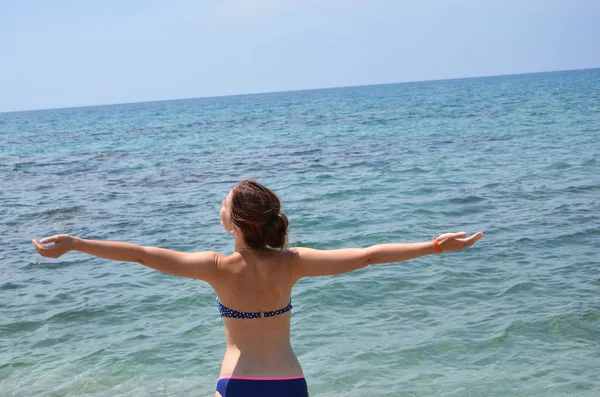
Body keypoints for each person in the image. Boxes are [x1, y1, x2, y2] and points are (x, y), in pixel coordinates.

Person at [33, 179, 484, 397]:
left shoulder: (216, 266)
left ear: (235, 221)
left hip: (237, 383)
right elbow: (367, 255)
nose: (219, 206)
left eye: (223, 203)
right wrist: (433, 247)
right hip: (290, 383)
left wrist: (76, 244)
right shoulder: (294, 262)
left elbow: (142, 254)